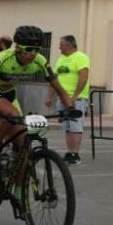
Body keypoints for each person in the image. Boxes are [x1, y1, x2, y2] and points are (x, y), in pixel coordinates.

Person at [0, 25, 76, 193]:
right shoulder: (3, 58)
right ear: (17, 48)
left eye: (37, 50)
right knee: (10, 114)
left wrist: (71, 108)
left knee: (24, 146)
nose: (32, 54)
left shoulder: (40, 61)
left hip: (9, 96)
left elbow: (58, 88)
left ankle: (18, 192)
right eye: (28, 49)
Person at [45, 35, 90, 165]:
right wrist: (49, 96)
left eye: (61, 44)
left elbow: (83, 77)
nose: (59, 47)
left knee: (75, 125)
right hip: (62, 98)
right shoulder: (61, 59)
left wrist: (75, 95)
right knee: (67, 126)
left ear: (68, 45)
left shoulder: (81, 57)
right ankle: (69, 152)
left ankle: (75, 154)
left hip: (76, 98)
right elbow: (54, 79)